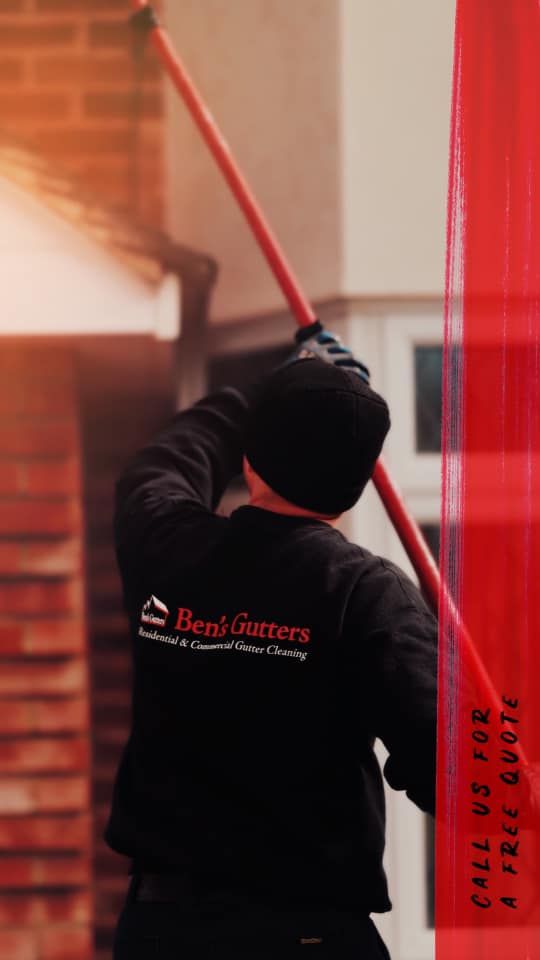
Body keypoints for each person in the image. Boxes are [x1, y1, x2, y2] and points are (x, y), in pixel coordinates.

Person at [108, 321, 438, 959]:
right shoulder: (366, 595)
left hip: (163, 933)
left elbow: (170, 457)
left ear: (250, 459)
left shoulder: (163, 544)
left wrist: (270, 387)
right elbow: (451, 771)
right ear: (357, 485)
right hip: (308, 935)